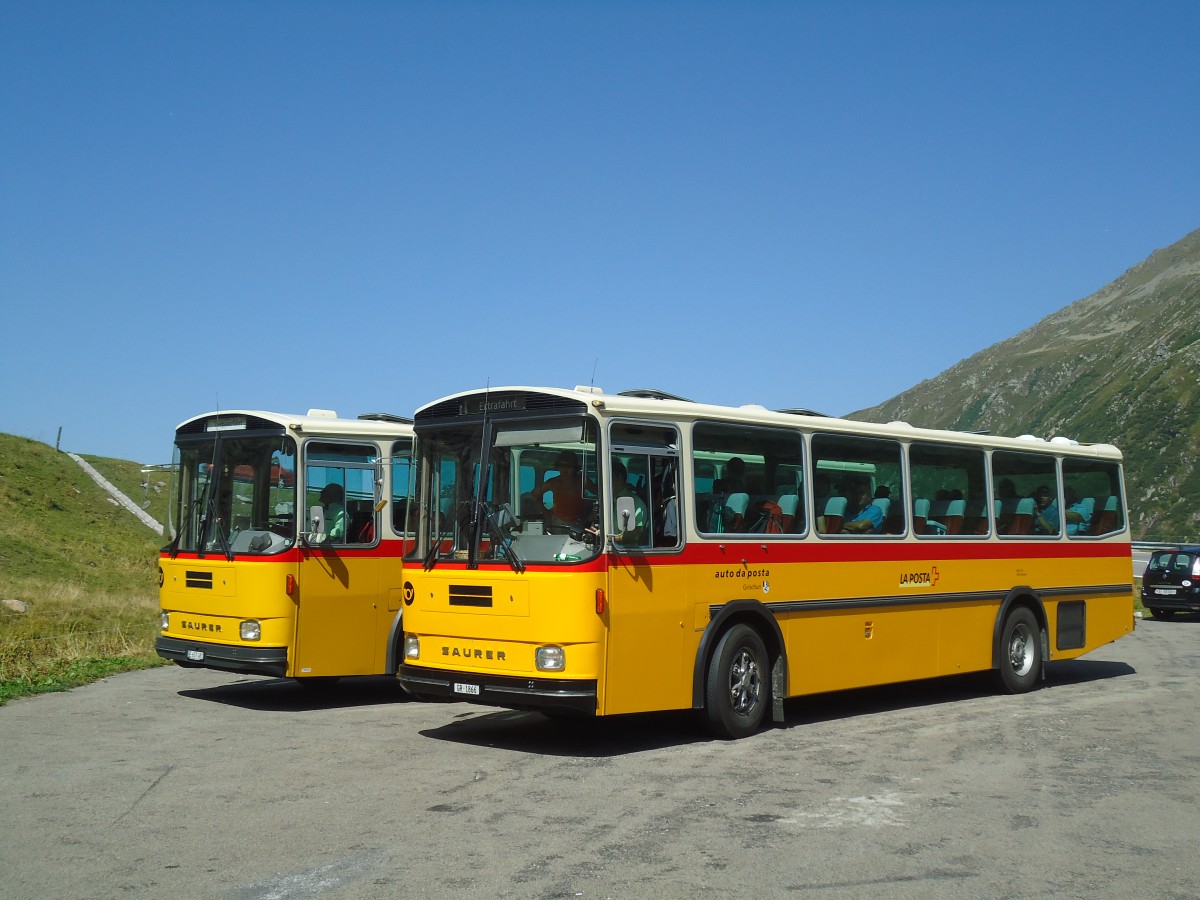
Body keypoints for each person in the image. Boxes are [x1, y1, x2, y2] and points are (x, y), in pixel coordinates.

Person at [533, 451, 594, 529]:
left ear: (575, 467)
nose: (564, 469)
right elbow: (534, 494)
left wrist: (591, 516)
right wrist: (546, 512)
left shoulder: (582, 481)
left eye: (568, 466)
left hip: (579, 522)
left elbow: (601, 494)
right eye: (561, 465)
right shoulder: (554, 482)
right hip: (557, 523)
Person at [610, 459, 648, 545]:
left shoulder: (636, 503)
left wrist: (607, 538)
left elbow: (633, 536)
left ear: (618, 477)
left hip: (624, 553)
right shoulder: (607, 502)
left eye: (606, 477)